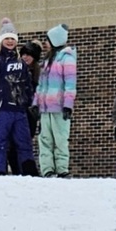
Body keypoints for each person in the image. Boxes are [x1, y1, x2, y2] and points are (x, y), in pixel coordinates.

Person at [0, 18, 37, 176]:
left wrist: (30, 102)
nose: (9, 41)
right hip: (2, 110)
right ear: (1, 40)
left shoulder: (21, 62)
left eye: (12, 38)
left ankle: (28, 172)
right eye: (6, 38)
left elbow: (27, 84)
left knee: (24, 142)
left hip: (19, 110)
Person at [33, 23, 77, 178]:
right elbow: (40, 86)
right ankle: (47, 169)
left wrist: (68, 105)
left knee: (60, 139)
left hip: (59, 108)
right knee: (45, 140)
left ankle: (62, 169)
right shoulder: (46, 62)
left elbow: (70, 84)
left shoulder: (67, 59)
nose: (45, 43)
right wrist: (35, 103)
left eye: (47, 40)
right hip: (45, 109)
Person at [7, 40, 42, 175]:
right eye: (24, 54)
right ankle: (17, 172)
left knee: (24, 145)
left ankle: (29, 173)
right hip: (15, 111)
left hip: (29, 114)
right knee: (11, 146)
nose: (26, 57)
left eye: (29, 55)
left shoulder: (38, 74)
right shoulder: (15, 70)